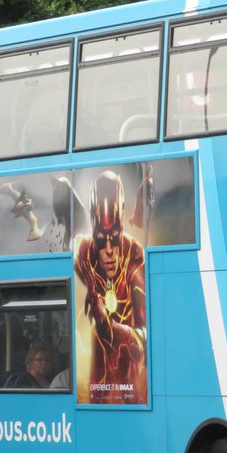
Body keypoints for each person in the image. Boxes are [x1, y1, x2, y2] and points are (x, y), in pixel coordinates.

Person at [73, 170, 147, 404]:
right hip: (98, 385)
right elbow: (78, 258)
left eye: (114, 237)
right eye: (100, 237)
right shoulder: (85, 253)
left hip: (130, 387)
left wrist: (113, 329)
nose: (108, 250)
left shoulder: (134, 255)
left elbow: (147, 335)